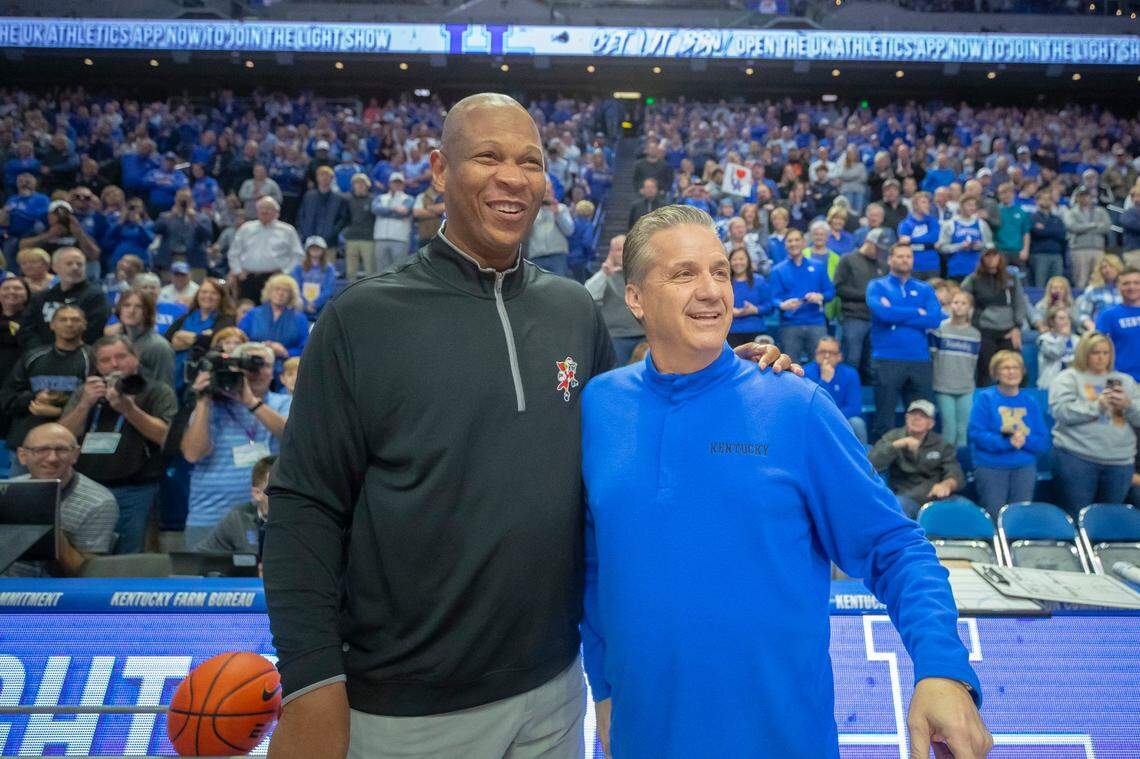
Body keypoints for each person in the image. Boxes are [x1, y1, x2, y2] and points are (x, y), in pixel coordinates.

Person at [261, 95, 793, 759]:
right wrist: (313, 679)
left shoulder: (571, 309)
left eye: (530, 162)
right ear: (437, 169)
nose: (513, 177)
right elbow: (304, 508)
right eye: (488, 156)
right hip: (406, 706)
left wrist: (722, 373)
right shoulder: (361, 319)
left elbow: (638, 419)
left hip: (553, 689)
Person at [581, 206, 987, 759]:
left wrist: (941, 667)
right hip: (642, 736)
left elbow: (895, 547)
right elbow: (595, 564)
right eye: (684, 274)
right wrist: (603, 688)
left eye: (720, 272)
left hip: (781, 739)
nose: (711, 291)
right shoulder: (600, 406)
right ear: (635, 299)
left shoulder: (795, 405)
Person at [58, 335, 177, 554]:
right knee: (84, 555)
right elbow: (61, 437)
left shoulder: (157, 391)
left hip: (135, 488)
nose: (114, 364)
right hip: (86, 488)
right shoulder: (87, 391)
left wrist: (128, 410)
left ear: (135, 358)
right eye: (105, 360)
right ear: (97, 366)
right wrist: (84, 404)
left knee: (130, 556)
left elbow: (166, 438)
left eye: (121, 356)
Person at [182, 341, 290, 549]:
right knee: (200, 578)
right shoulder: (213, 405)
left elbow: (292, 437)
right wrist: (203, 401)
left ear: (273, 372)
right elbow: (192, 454)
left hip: (266, 514)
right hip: (210, 513)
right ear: (234, 368)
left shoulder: (283, 403)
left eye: (263, 365)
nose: (255, 372)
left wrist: (251, 402)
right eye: (247, 366)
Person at [3, 424, 117, 577]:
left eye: (61, 450)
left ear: (75, 454)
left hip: (59, 593)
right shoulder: (8, 491)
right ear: (22, 456)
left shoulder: (99, 502)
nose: (52, 458)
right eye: (41, 450)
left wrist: (50, 525)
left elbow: (88, 573)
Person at [1049, 332, 1140, 514]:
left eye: (1105, 353)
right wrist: (1096, 406)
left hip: (1120, 461)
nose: (1101, 358)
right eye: (1095, 352)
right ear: (1084, 353)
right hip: (1077, 457)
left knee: (1109, 519)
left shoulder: (1127, 382)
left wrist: (1128, 405)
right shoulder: (1068, 378)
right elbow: (1060, 412)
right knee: (1078, 515)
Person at [0, 305, 93, 474]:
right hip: (27, 446)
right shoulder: (33, 356)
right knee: (22, 499)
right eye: (63, 319)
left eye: (75, 320)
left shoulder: (92, 358)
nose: (69, 324)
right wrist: (34, 399)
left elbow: (97, 404)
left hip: (70, 448)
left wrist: (57, 411)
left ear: (85, 325)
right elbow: (7, 398)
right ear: (52, 325)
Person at [866, 243, 942, 441]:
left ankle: (919, 468)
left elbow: (934, 318)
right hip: (887, 359)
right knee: (885, 420)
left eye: (908, 256)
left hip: (920, 359)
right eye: (900, 256)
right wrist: (917, 311)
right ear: (890, 260)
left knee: (922, 419)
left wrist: (895, 313)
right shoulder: (876, 285)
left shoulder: (924, 288)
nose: (905, 259)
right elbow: (883, 314)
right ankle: (884, 470)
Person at [968, 350, 1050, 517]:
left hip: (1024, 467)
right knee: (995, 515)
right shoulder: (985, 398)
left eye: (1016, 367)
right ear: (996, 372)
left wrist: (1024, 441)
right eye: (1005, 368)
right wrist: (1007, 443)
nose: (1011, 372)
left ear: (1022, 372)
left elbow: (1043, 441)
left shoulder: (1030, 402)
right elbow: (976, 434)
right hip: (991, 466)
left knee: (1020, 518)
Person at [869, 400, 965, 518]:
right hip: (906, 496)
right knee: (897, 505)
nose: (916, 419)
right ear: (906, 418)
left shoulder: (941, 443)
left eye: (923, 416)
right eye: (913, 415)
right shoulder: (893, 437)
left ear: (931, 423)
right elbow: (871, 463)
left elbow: (954, 471)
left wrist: (947, 484)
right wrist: (898, 444)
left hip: (936, 497)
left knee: (965, 507)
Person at [961, 245, 1027, 387]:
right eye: (988, 256)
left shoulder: (1011, 278)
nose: (992, 259)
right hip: (984, 330)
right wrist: (969, 323)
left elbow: (1019, 302)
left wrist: (1017, 327)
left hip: (1008, 330)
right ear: (982, 258)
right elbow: (962, 299)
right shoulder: (973, 279)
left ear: (1000, 257)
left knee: (1015, 366)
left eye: (995, 255)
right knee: (985, 370)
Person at [833, 228, 890, 382]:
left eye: (882, 250)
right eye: (877, 248)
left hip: (875, 319)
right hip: (853, 317)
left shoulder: (882, 265)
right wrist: (868, 296)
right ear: (868, 242)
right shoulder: (848, 259)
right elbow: (838, 288)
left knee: (871, 364)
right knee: (852, 358)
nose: (879, 252)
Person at [770, 228, 832, 363]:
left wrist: (820, 297)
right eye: (790, 241)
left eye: (797, 240)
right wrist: (782, 305)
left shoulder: (818, 266)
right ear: (785, 245)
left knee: (821, 364)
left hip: (816, 322)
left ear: (804, 243)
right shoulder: (777, 270)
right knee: (790, 367)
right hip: (790, 325)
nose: (793, 243)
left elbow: (830, 292)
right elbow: (772, 298)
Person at [164, 278, 237, 394]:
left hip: (204, 375)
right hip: (176, 373)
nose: (208, 296)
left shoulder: (226, 319)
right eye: (204, 292)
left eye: (213, 293)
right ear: (198, 295)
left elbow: (211, 341)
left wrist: (180, 337)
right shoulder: (187, 316)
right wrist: (199, 338)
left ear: (221, 297)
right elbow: (166, 339)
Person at [226, 196, 304, 305]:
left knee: (271, 310)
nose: (264, 211)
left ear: (277, 212)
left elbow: (298, 255)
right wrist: (238, 271)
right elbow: (233, 253)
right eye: (261, 208)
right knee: (246, 309)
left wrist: (285, 272)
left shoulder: (288, 231)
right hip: (247, 278)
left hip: (274, 278)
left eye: (268, 208)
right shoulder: (246, 228)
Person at [194, 454, 275, 556]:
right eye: (276, 489)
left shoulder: (299, 519)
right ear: (257, 494)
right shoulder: (239, 519)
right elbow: (200, 557)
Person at [931, 290, 981, 449]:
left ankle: (961, 470)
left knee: (963, 430)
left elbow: (973, 364)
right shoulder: (939, 329)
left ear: (970, 308)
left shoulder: (975, 334)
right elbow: (933, 357)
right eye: (955, 302)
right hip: (943, 386)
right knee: (949, 429)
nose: (958, 306)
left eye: (963, 303)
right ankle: (946, 469)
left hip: (966, 388)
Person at [585, 235, 645, 366]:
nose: (623, 253)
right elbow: (588, 294)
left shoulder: (642, 274)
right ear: (611, 253)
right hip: (617, 335)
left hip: (644, 333)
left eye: (626, 249)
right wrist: (604, 273)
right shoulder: (604, 275)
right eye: (618, 249)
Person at [238, 274, 310, 372]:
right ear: (269, 292)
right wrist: (259, 348)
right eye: (277, 289)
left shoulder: (300, 319)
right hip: (253, 364)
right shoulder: (253, 314)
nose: (280, 293)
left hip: (285, 367)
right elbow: (240, 339)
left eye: (286, 290)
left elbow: (306, 348)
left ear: (291, 295)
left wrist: (285, 352)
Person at [803, 335, 867, 444]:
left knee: (857, 423)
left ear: (839, 356)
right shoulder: (804, 372)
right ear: (816, 353)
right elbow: (809, 405)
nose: (826, 356)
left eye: (831, 352)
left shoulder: (850, 374)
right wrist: (824, 381)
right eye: (823, 351)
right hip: (814, 420)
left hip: (842, 420)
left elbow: (854, 408)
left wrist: (832, 418)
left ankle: (861, 460)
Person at [104, 290, 176, 386]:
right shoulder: (117, 341)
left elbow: (165, 389)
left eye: (139, 307)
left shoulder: (159, 346)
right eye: (126, 305)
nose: (131, 311)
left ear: (147, 312)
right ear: (119, 310)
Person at [152, 187, 211, 279]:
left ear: (191, 200)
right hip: (170, 259)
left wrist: (193, 219)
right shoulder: (166, 216)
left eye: (186, 199)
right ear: (176, 199)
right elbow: (156, 230)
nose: (183, 201)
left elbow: (206, 236)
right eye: (181, 198)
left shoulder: (201, 218)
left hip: (194, 261)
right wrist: (171, 215)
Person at [1094, 266, 1140, 382]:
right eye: (1126, 283)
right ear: (1118, 287)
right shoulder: (1108, 316)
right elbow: (1096, 349)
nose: (1131, 287)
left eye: (1136, 283)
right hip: (1123, 382)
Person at [526, 178, 575, 277]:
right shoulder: (530, 210)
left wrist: (557, 214)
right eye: (543, 191)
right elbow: (524, 232)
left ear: (553, 192)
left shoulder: (562, 208)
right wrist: (533, 210)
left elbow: (569, 230)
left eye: (548, 191)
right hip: (536, 257)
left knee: (558, 288)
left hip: (557, 255)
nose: (546, 194)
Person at [1064, 187, 1112, 289]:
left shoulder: (1101, 211)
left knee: (1099, 278)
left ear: (1091, 197)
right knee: (1081, 279)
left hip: (1098, 248)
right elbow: (1073, 227)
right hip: (1079, 249)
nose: (1085, 198)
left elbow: (1106, 227)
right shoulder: (1071, 212)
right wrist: (1094, 225)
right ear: (1077, 197)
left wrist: (1083, 227)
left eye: (1087, 195)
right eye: (1082, 195)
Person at [727, 247, 773, 349]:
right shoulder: (725, 282)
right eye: (734, 259)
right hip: (731, 332)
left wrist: (755, 310)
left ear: (748, 261)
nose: (738, 262)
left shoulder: (759, 281)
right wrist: (730, 311)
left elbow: (770, 306)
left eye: (741, 259)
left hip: (756, 331)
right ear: (729, 262)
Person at [939, 196, 992, 282]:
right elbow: (942, 248)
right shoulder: (950, 224)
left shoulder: (981, 224)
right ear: (961, 206)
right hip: (956, 270)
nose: (972, 208)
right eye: (969, 205)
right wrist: (959, 246)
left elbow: (990, 245)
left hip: (977, 270)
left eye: (974, 205)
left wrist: (980, 246)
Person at [1027, 190, 1068, 286]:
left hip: (1056, 254)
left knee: (1058, 284)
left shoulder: (1057, 219)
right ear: (1037, 201)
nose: (1047, 201)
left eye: (1049, 199)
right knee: (1040, 284)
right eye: (1044, 199)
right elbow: (1037, 232)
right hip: (1039, 254)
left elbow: (1062, 234)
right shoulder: (1032, 217)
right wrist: (1052, 230)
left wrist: (1045, 229)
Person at [897, 191, 941, 280]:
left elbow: (933, 237)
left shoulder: (933, 221)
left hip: (932, 264)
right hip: (913, 265)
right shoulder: (905, 224)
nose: (927, 205)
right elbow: (903, 242)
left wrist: (911, 240)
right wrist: (927, 243)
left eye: (928, 202)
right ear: (915, 205)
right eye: (923, 202)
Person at [1077, 253, 1124, 333]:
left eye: (1111, 266)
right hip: (1101, 331)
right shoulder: (1092, 290)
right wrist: (1094, 329)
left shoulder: (1126, 288)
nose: (1107, 270)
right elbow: (1084, 316)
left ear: (1118, 268)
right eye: (1104, 267)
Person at [343, 173, 377, 281]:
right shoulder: (348, 200)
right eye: (356, 183)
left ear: (367, 185)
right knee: (350, 271)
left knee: (370, 271)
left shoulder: (373, 200)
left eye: (362, 183)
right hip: (351, 238)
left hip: (368, 239)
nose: (359, 185)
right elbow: (344, 218)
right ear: (353, 186)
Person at [993, 182, 1032, 272]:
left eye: (1007, 192)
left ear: (1013, 194)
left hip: (1018, 250)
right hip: (1000, 250)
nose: (1005, 195)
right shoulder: (995, 211)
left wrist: (1025, 250)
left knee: (1021, 280)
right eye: (1002, 193)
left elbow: (1026, 233)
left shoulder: (1022, 212)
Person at [1038, 306, 1078, 390]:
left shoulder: (1077, 340)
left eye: (1068, 318)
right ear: (1052, 322)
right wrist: (1063, 337)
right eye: (1062, 318)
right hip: (1050, 384)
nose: (1066, 321)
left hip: (1073, 383)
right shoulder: (1044, 340)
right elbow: (1056, 353)